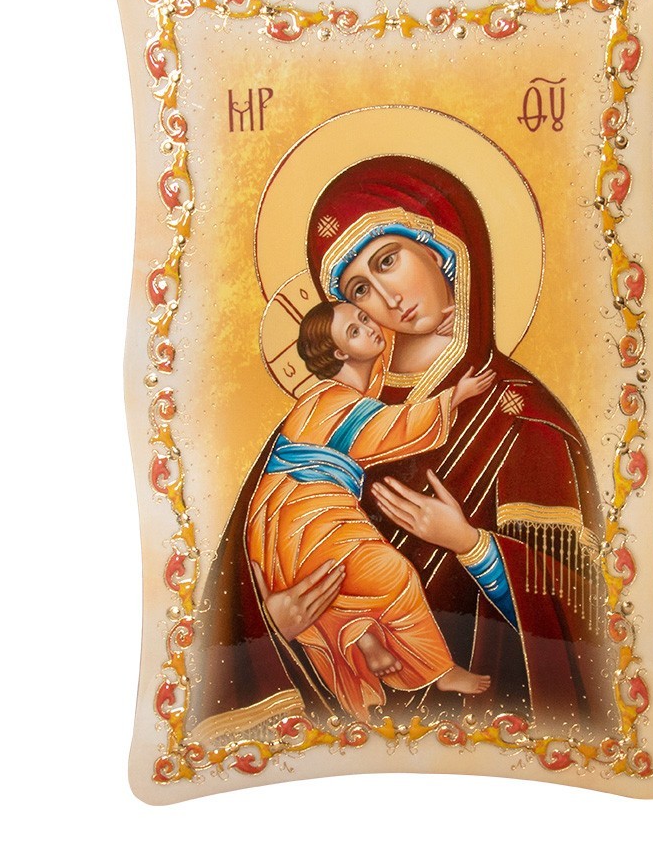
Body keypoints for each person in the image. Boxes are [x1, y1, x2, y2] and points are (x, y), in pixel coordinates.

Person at [195, 155, 611, 743]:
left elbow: (585, 609)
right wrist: (277, 622)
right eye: (360, 288)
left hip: (480, 728)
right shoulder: (319, 417)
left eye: (389, 259)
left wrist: (470, 545)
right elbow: (242, 584)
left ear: (443, 249)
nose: (387, 297)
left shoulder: (526, 420)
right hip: (335, 718)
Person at [248, 298, 494, 722]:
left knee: (338, 582)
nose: (371, 327)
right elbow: (394, 428)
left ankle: (363, 635)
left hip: (286, 518)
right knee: (392, 575)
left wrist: (439, 326)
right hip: (306, 515)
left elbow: (382, 357)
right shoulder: (338, 402)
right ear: (340, 353)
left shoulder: (341, 389)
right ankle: (441, 671)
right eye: (355, 330)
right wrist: (454, 397)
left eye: (365, 317)